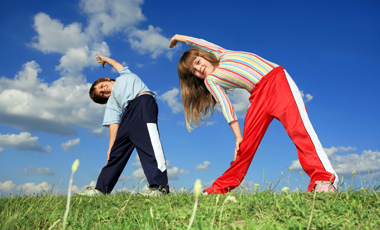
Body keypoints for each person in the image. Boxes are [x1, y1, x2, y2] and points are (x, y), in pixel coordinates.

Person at [169, 34, 338, 194]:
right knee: (244, 148)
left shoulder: (221, 53)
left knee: (299, 130)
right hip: (258, 98)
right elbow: (226, 105)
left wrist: (178, 37)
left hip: (278, 81)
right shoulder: (210, 81)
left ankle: (324, 180)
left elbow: (198, 41)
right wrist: (238, 137)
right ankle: (218, 189)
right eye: (195, 71)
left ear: (204, 56)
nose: (199, 69)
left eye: (198, 62)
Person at [76, 54, 169, 197]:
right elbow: (114, 123)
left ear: (106, 79)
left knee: (149, 146)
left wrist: (106, 60)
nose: (104, 90)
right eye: (102, 94)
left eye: (102, 86)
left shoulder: (125, 75)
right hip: (128, 113)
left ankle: (159, 189)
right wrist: (110, 148)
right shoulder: (113, 102)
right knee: (116, 153)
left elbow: (117, 63)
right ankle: (101, 190)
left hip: (143, 103)